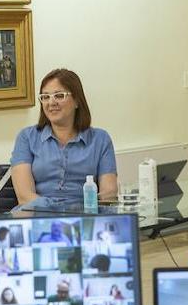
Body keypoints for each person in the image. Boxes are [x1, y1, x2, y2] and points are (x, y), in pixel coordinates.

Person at [10, 68, 118, 208]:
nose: (51, 102)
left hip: (85, 218)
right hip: (37, 218)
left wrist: (79, 212)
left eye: (59, 96)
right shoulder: (27, 137)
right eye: (45, 97)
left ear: (77, 101)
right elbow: (25, 197)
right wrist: (60, 212)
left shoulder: (100, 139)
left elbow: (108, 194)